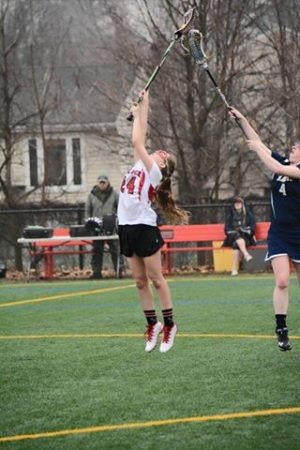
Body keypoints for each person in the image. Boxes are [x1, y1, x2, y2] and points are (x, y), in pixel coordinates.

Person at [117, 90, 189, 353]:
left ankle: (170, 325)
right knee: (139, 281)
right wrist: (144, 105)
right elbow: (142, 136)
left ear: (164, 165)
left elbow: (137, 141)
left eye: (163, 154)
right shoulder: (142, 163)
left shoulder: (156, 172)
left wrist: (136, 114)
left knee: (156, 279)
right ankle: (153, 324)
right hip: (125, 226)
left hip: (144, 227)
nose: (159, 152)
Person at [229, 106, 300, 351]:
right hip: (279, 233)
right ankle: (281, 328)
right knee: (282, 281)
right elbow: (256, 140)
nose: (292, 148)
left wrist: (259, 149)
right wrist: (243, 120)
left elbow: (277, 168)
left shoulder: (295, 169)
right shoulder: (283, 159)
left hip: (299, 235)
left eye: (296, 147)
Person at [85, 174, 125, 279]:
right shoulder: (91, 195)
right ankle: (96, 272)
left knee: (115, 249)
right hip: (97, 227)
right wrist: (89, 224)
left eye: (104, 182)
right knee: (97, 250)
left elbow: (121, 208)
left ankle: (118, 270)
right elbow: (87, 211)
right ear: (97, 183)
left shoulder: (114, 194)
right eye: (100, 182)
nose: (102, 184)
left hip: (111, 226)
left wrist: (118, 222)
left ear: (108, 183)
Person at [223, 196, 256, 276]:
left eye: (239, 203)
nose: (238, 205)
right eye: (236, 203)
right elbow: (226, 230)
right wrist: (235, 231)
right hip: (232, 237)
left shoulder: (249, 216)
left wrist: (243, 230)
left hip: (246, 238)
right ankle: (246, 254)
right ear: (233, 205)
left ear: (243, 204)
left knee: (236, 244)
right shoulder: (230, 216)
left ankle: (234, 270)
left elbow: (252, 229)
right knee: (236, 234)